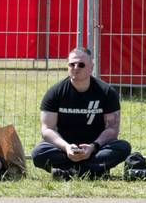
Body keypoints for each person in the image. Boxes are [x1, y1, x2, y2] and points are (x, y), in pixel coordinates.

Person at [32, 47, 131, 179]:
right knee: (38, 153)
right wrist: (67, 147)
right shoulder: (55, 93)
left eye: (81, 64)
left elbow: (112, 129)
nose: (76, 67)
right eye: (72, 64)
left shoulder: (106, 92)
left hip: (96, 149)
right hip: (64, 149)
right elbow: (47, 129)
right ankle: (91, 171)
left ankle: (69, 172)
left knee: (123, 147)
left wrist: (92, 147)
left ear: (91, 67)